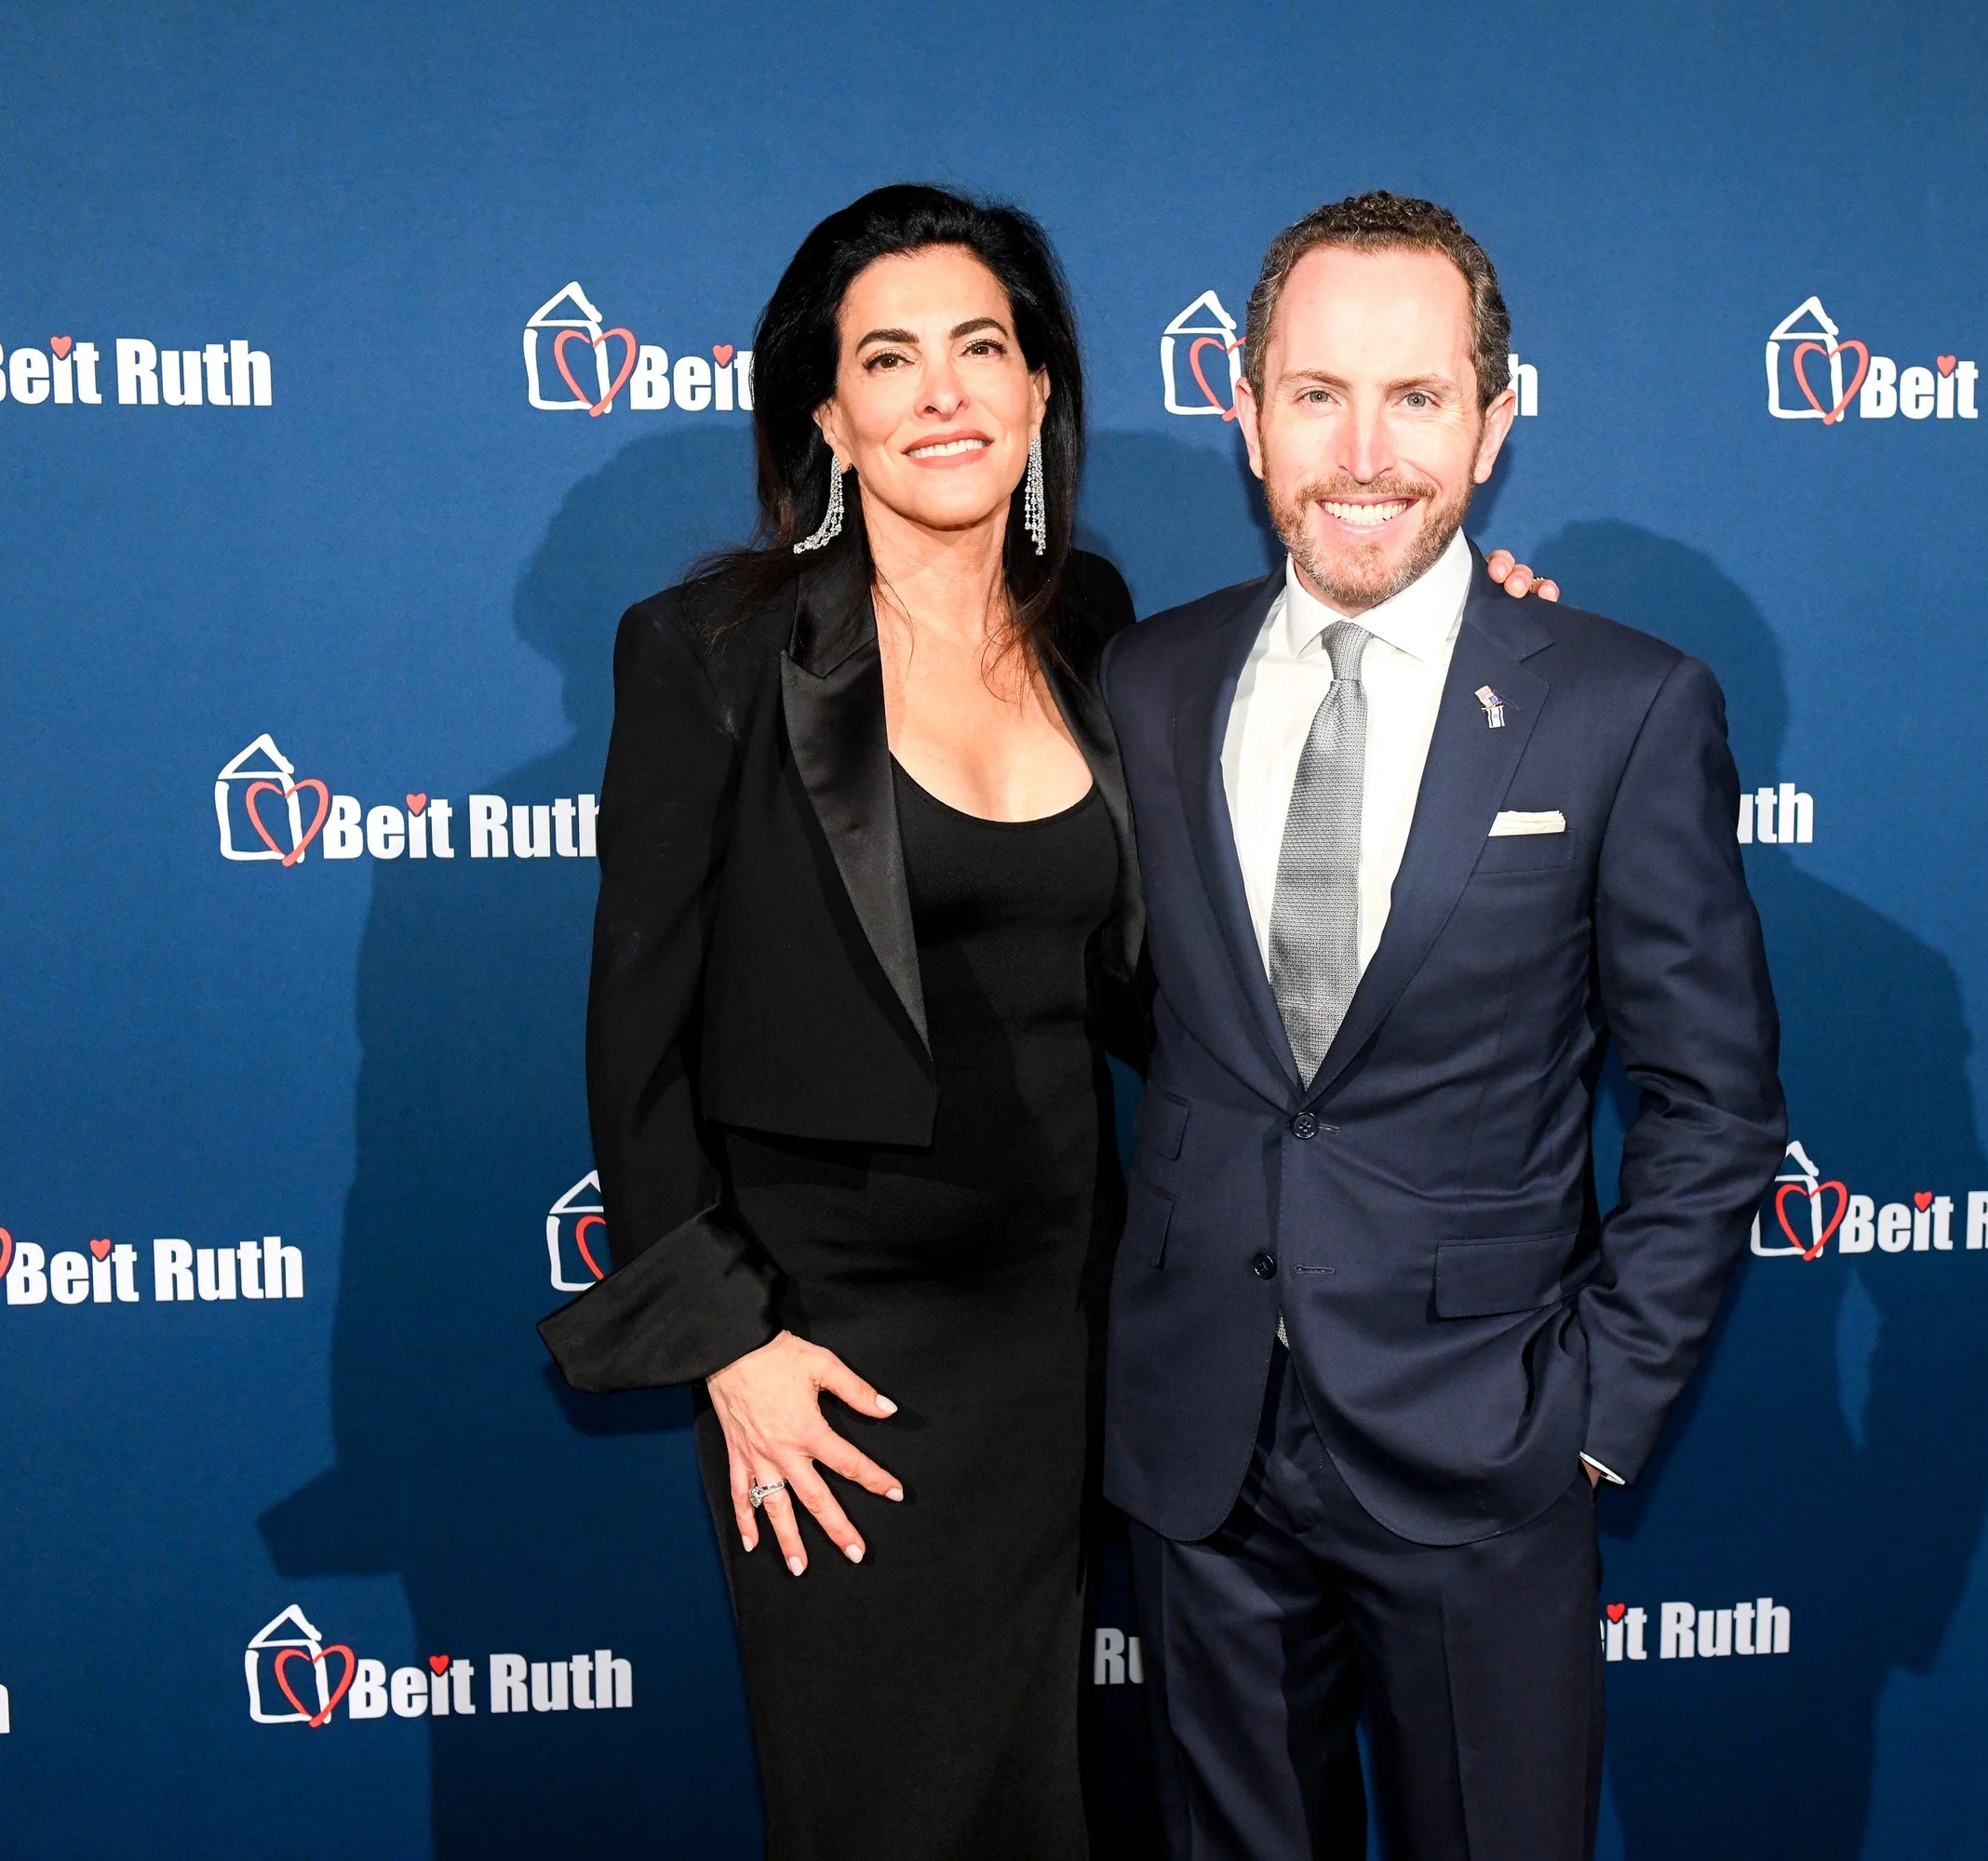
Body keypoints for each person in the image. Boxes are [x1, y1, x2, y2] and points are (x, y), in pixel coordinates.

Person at [537, 183, 1558, 1859]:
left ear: (1037, 392)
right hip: (836, 1358)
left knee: (1063, 1804)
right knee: (885, 1810)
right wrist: (730, 1347)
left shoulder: (1094, 626)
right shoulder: (714, 653)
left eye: (980, 349)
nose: (941, 394)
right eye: (888, 359)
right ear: (827, 416)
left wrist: (1469, 639)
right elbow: (633, 1037)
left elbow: (1181, 968)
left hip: (1082, 1329)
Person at [1100, 192, 1788, 1859]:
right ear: (1246, 416)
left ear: (1491, 422)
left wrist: (1597, 1417)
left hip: (1487, 1447)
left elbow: (1714, 1102)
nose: (1364, 453)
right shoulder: (1144, 683)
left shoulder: (1622, 705)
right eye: (1317, 394)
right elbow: (1130, 1010)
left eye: (1415, 396)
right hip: (1201, 1450)